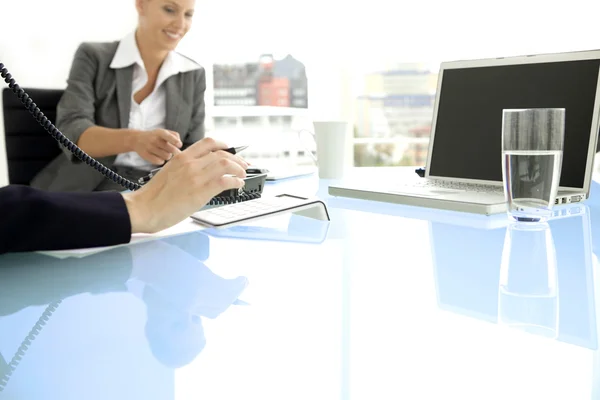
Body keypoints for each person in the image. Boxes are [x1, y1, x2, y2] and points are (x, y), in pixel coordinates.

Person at [30, 0, 206, 192]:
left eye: (188, 14)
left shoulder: (192, 74)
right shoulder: (93, 57)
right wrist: (135, 140)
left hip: (156, 191)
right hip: (89, 187)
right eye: (170, 10)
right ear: (141, 5)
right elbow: (72, 128)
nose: (180, 24)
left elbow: (192, 148)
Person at [0, 137, 248, 254]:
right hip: (84, 192)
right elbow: (73, 133)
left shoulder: (189, 73)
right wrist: (138, 207)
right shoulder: (95, 57)